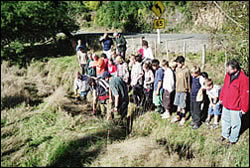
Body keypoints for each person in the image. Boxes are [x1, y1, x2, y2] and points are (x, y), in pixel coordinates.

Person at [218, 60, 249, 145]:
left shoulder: (244, 79)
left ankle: (232, 140)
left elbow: (245, 95)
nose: (227, 70)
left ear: (235, 69)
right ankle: (225, 135)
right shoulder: (228, 75)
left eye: (229, 69)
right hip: (226, 103)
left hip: (236, 106)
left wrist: (244, 108)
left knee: (235, 124)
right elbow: (224, 87)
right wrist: (221, 98)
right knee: (225, 120)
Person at [171, 56, 191, 126]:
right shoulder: (177, 69)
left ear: (182, 63)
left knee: (183, 105)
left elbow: (188, 80)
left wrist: (188, 89)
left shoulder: (186, 70)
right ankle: (178, 116)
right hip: (177, 89)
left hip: (183, 90)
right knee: (178, 105)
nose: (177, 64)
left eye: (178, 63)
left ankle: (183, 118)